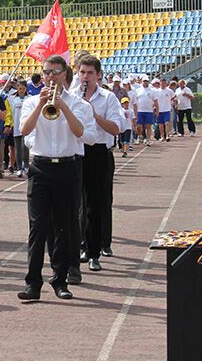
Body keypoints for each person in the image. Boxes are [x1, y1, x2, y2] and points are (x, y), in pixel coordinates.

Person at [18, 55, 95, 301]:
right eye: (46, 72)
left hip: (68, 168)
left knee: (65, 226)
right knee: (37, 226)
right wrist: (42, 106)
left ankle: (60, 280)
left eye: (55, 72)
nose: (50, 76)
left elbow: (83, 133)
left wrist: (63, 107)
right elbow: (24, 131)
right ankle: (33, 284)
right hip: (40, 168)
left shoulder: (80, 104)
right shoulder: (32, 102)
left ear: (65, 74)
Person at [77, 55, 126, 271]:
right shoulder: (71, 96)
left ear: (98, 75)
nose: (85, 77)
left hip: (99, 153)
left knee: (95, 205)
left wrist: (92, 113)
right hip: (77, 152)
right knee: (75, 204)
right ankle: (80, 245)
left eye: (89, 73)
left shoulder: (108, 98)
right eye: (82, 72)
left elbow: (116, 129)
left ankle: (94, 251)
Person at [8, 80, 30, 178]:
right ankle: (19, 168)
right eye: (19, 88)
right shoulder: (12, 98)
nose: (21, 91)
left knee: (25, 147)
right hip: (16, 125)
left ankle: (26, 166)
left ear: (26, 89)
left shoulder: (29, 98)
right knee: (18, 148)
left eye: (23, 89)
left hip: (26, 125)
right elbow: (10, 112)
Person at [134, 78, 158, 146]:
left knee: (148, 126)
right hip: (140, 111)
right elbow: (135, 101)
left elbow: (156, 101)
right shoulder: (138, 90)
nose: (145, 82)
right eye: (144, 81)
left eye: (146, 81)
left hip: (149, 111)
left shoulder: (152, 91)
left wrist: (157, 110)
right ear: (142, 82)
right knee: (139, 126)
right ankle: (139, 136)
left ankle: (148, 139)